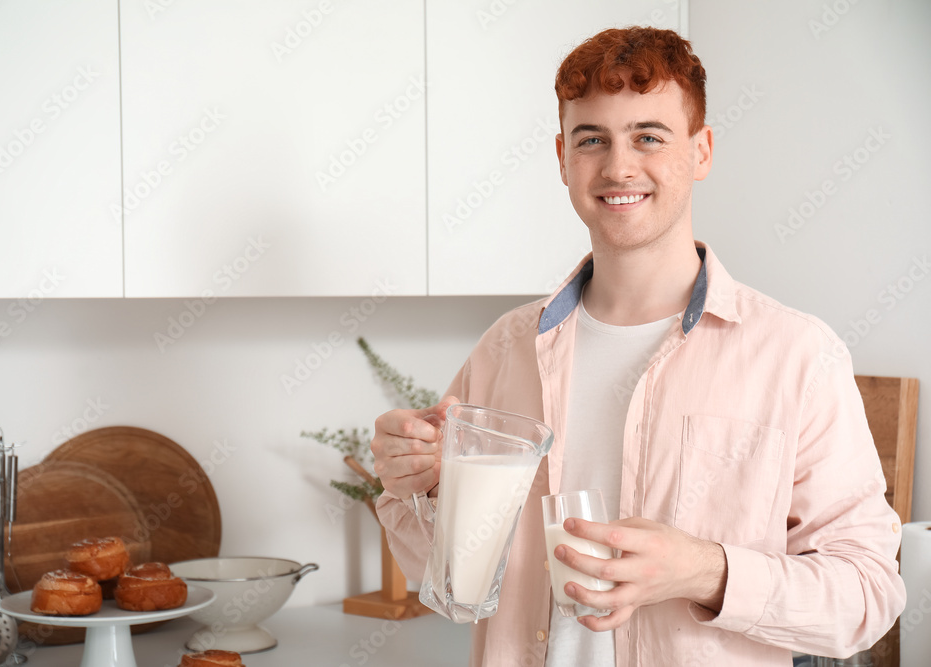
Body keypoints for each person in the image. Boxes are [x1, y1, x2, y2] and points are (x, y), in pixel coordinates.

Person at [371, 26, 905, 666]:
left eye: (649, 137)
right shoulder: (504, 348)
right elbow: (449, 580)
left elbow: (867, 597)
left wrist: (704, 571)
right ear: (562, 159)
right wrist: (417, 486)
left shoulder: (798, 358)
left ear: (701, 151)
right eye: (591, 139)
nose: (619, 166)